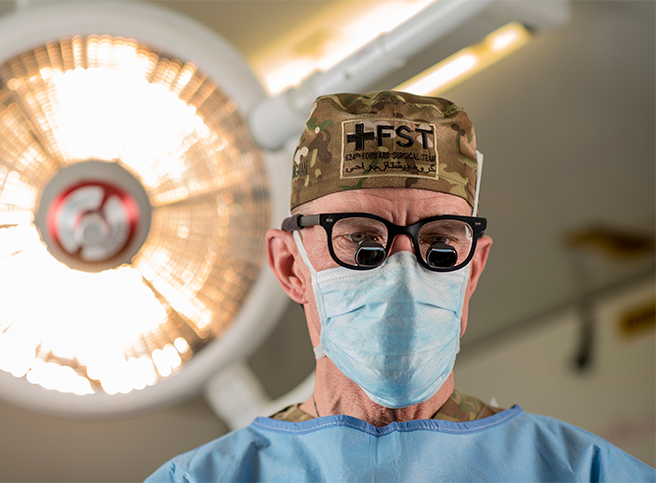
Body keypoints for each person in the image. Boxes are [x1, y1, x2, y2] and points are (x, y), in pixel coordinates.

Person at [146, 91, 655, 482]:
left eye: (439, 244)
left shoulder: (582, 472)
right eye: (362, 240)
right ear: (290, 265)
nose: (403, 271)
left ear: (472, 269)